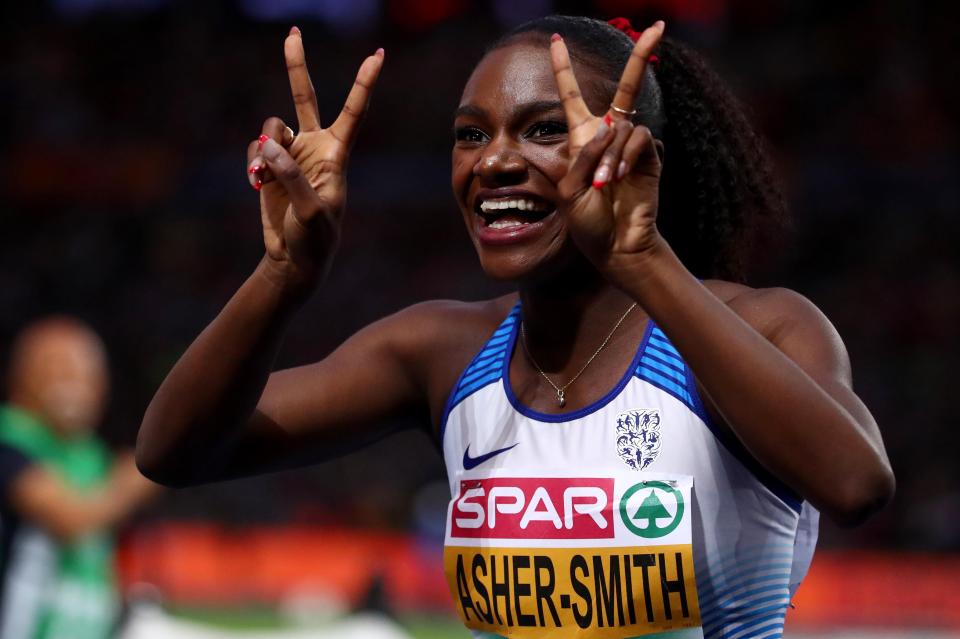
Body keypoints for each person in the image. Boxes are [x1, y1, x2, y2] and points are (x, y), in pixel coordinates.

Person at [136, 15, 895, 639]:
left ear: (633, 155)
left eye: (543, 130)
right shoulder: (441, 352)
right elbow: (174, 450)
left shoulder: (760, 326)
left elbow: (856, 482)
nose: (495, 160)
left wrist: (642, 257)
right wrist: (282, 275)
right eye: (471, 135)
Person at [0, 317, 159, 639]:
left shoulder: (92, 456)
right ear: (21, 375)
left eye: (88, 373)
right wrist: (150, 469)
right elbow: (71, 518)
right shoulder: (9, 440)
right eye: (59, 370)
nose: (76, 384)